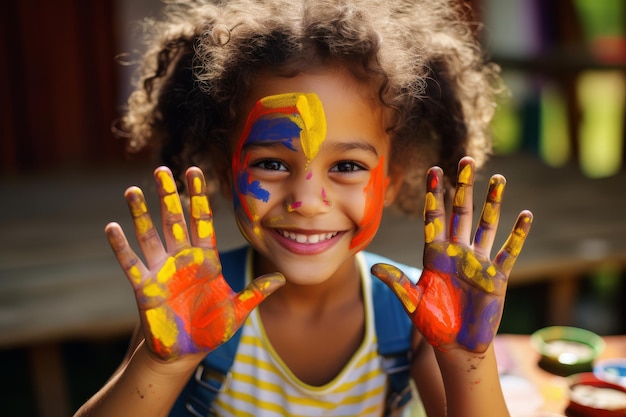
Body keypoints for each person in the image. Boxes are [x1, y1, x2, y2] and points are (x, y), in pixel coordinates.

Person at [75, 0, 533, 416]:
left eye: (348, 166)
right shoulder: (189, 303)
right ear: (225, 166)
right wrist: (160, 366)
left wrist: (469, 361)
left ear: (391, 182)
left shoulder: (416, 316)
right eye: (272, 163)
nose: (307, 201)